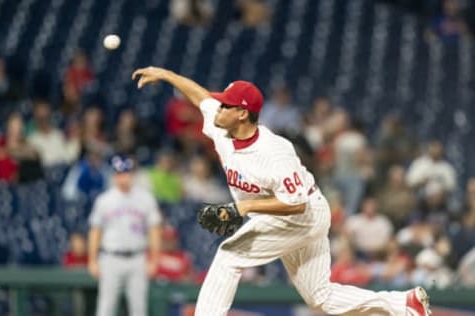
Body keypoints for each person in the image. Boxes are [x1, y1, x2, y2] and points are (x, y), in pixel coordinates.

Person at [132, 67, 431, 316]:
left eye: (226, 104)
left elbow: (296, 204)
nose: (217, 107)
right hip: (285, 213)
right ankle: (403, 304)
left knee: (229, 255)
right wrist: (167, 75)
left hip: (302, 214)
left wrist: (246, 209)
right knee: (320, 297)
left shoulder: (274, 152)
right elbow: (201, 98)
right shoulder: (222, 126)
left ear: (241, 114)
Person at [88, 155, 163, 316]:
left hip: (137, 258)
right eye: (119, 173)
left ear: (132, 174)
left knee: (139, 309)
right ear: (114, 175)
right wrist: (93, 260)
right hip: (111, 258)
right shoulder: (104, 200)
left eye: (126, 173)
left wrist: (155, 260)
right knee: (106, 308)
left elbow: (154, 230)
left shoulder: (145, 198)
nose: (123, 177)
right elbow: (95, 231)